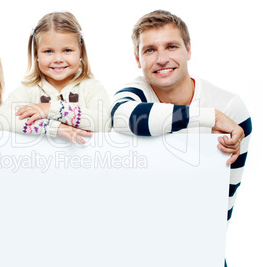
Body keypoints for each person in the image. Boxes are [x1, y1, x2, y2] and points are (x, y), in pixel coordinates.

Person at [111, 10, 252, 266]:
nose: (162, 59)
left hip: (199, 247)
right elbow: (122, 117)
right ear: (137, 58)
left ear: (188, 50)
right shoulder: (136, 92)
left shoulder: (230, 108)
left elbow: (225, 198)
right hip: (137, 246)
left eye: (171, 46)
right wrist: (208, 118)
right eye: (150, 50)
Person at [0, 11, 111, 144]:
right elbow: (1, 119)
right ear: (37, 54)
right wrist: (54, 127)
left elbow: (104, 123)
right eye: (48, 51)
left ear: (81, 51)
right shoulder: (29, 90)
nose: (58, 59)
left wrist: (51, 109)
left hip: (83, 162)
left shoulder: (91, 88)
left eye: (67, 50)